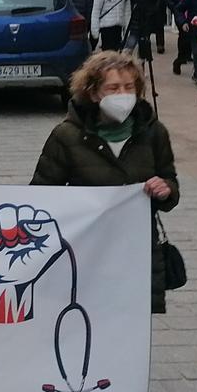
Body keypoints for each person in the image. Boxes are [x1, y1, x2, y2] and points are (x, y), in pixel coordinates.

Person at [30, 51, 178, 314]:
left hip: (137, 250)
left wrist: (165, 190)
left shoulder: (154, 132)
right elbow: (41, 197)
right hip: (86, 249)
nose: (123, 94)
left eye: (129, 87)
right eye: (113, 88)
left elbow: (169, 182)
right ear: (95, 93)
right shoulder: (67, 136)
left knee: (132, 327)